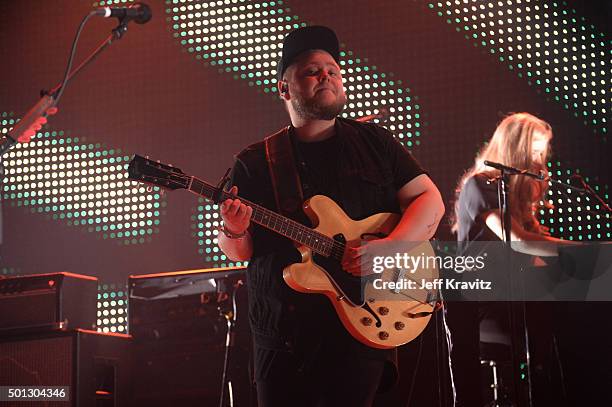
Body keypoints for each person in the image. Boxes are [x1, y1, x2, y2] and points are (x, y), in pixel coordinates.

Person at [218, 26, 444, 406]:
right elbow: (239, 251)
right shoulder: (254, 162)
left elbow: (430, 201)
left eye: (333, 70)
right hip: (283, 335)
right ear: (284, 88)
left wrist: (389, 248)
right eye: (312, 70)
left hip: (363, 323)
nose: (327, 75)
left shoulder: (375, 142)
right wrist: (234, 229)